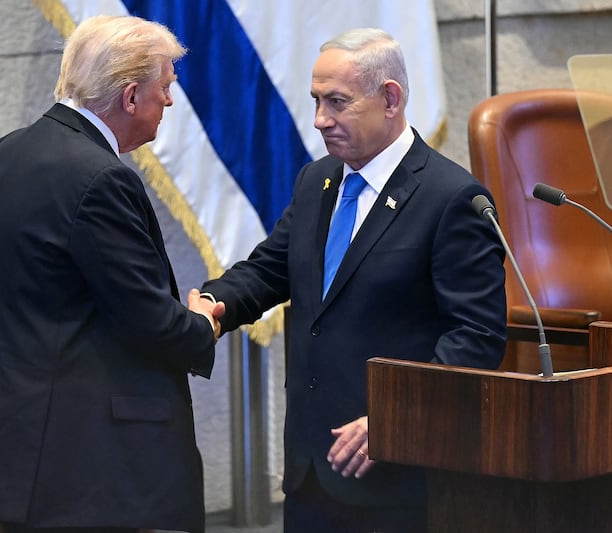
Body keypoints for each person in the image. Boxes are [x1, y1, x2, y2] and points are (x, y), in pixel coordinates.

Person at [0, 15, 224, 533]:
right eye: (165, 86)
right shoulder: (102, 179)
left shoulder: (3, 153)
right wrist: (201, 323)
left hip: (8, 450)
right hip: (83, 469)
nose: (170, 101)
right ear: (130, 97)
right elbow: (151, 322)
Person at [200, 28, 506, 532]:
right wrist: (213, 304)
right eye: (317, 100)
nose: (320, 119)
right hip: (309, 471)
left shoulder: (451, 198)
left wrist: (395, 418)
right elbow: (271, 269)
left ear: (390, 99)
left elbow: (477, 336)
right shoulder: (317, 180)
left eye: (337, 102)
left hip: (393, 478)